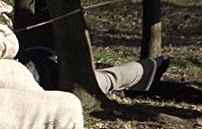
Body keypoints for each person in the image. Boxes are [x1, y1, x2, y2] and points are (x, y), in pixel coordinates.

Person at [16, 46, 171, 95]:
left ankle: (146, 70)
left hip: (42, 71)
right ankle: (144, 72)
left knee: (105, 80)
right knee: (107, 80)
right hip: (39, 71)